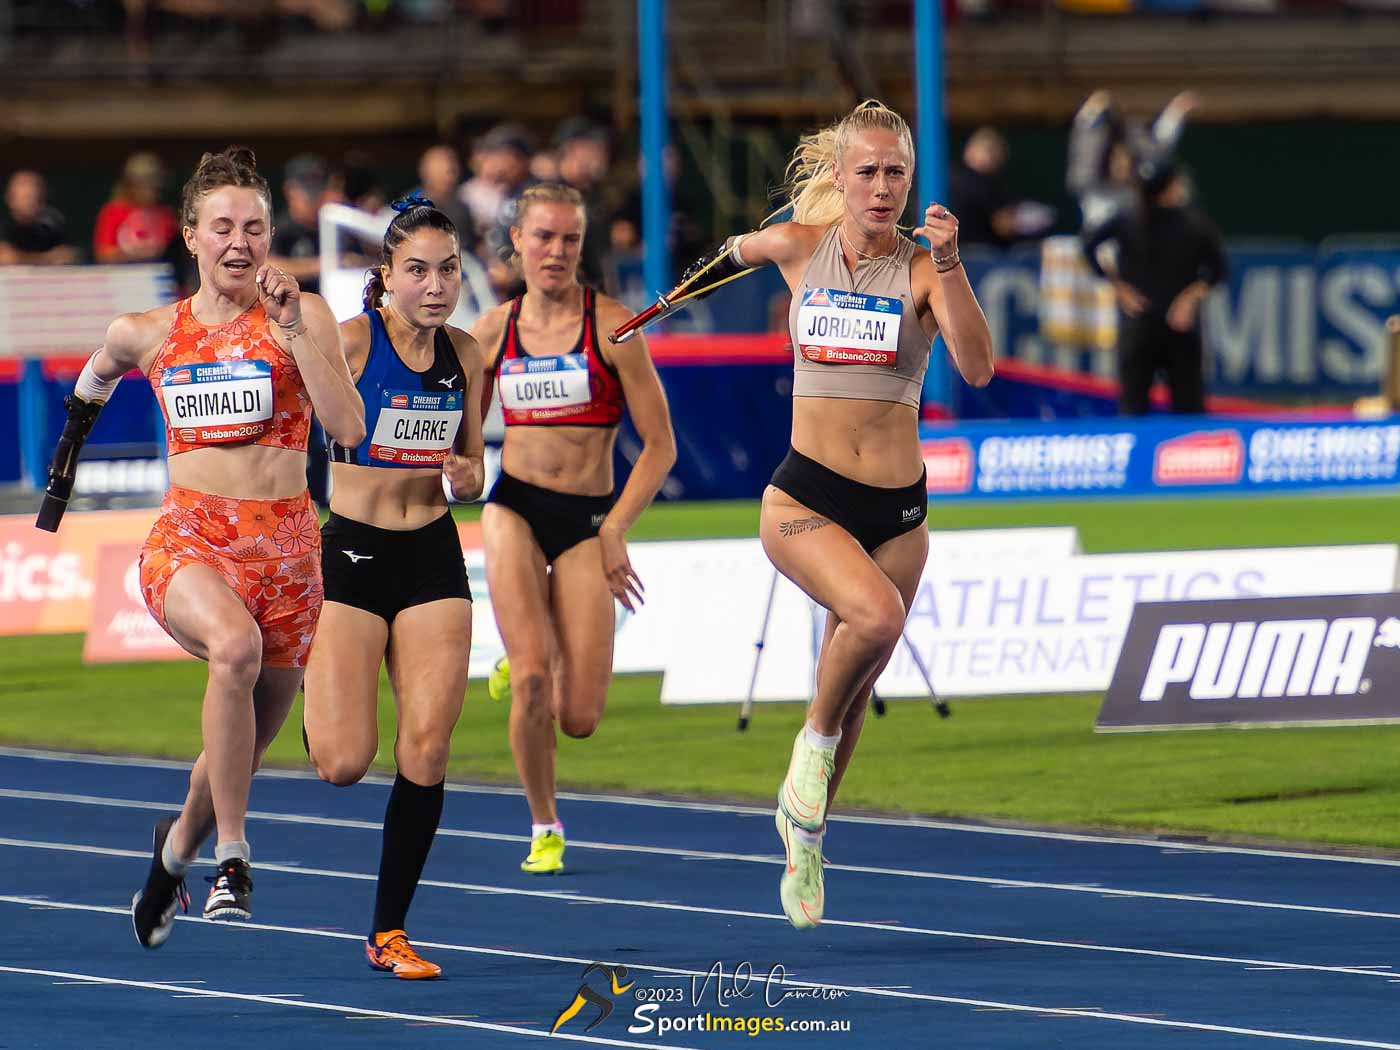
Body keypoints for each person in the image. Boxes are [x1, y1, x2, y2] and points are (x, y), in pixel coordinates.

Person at [690, 99, 993, 929]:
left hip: (898, 508)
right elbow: (737, 251)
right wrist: (681, 290)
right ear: (838, 179)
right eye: (867, 172)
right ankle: (808, 756)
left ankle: (806, 837)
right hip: (805, 496)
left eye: (896, 172)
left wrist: (957, 262)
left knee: (856, 682)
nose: (883, 186)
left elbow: (978, 365)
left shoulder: (928, 268)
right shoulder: (799, 248)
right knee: (875, 617)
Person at [65, 146, 364, 947]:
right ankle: (234, 857)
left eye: (256, 227)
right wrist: (61, 476)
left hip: (293, 556)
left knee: (235, 752)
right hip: (192, 540)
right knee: (233, 653)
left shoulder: (302, 318)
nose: (241, 242)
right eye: (223, 227)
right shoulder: (150, 332)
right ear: (191, 237)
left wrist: (298, 327)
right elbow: (93, 378)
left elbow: (349, 428)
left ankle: (173, 856)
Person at [302, 196, 485, 980]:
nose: (436, 284)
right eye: (418, 270)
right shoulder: (347, 343)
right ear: (385, 277)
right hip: (352, 556)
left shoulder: (468, 354)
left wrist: (467, 475)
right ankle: (315, 702)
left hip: (432, 557)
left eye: (447, 269)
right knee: (344, 762)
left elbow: (473, 471)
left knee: (429, 746)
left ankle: (389, 930)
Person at [469, 184, 675, 875]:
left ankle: (532, 643)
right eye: (543, 237)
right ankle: (543, 824)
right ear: (518, 242)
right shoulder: (494, 330)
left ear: (582, 247)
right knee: (531, 682)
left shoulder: (614, 327)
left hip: (588, 519)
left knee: (579, 715)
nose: (555, 252)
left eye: (569, 240)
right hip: (515, 509)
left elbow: (660, 447)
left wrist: (617, 528)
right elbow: (462, 433)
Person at [1081, 156, 1226, 415]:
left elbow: (1088, 245)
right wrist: (1190, 297)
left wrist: (1117, 285)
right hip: (1151, 325)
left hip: (1160, 325)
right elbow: (1218, 271)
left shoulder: (1184, 223)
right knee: (1161, 407)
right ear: (1173, 186)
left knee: (1166, 407)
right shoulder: (1137, 219)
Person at [93, 152, 180, 265]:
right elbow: (103, 253)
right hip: (124, 277)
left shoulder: (165, 214)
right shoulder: (113, 212)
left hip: (160, 277)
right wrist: (139, 253)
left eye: (155, 182)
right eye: (144, 182)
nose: (151, 187)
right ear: (130, 184)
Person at [269, 153, 329, 294]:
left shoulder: (332, 230)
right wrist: (322, 265)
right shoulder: (280, 229)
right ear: (290, 190)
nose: (314, 197)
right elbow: (266, 266)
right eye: (307, 189)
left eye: (318, 187)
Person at [0, 171, 78, 265]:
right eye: (25, 197)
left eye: (34, 196)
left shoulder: (51, 226)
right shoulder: (4, 226)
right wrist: (46, 258)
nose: (29, 202)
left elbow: (68, 255)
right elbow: (6, 258)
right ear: (9, 197)